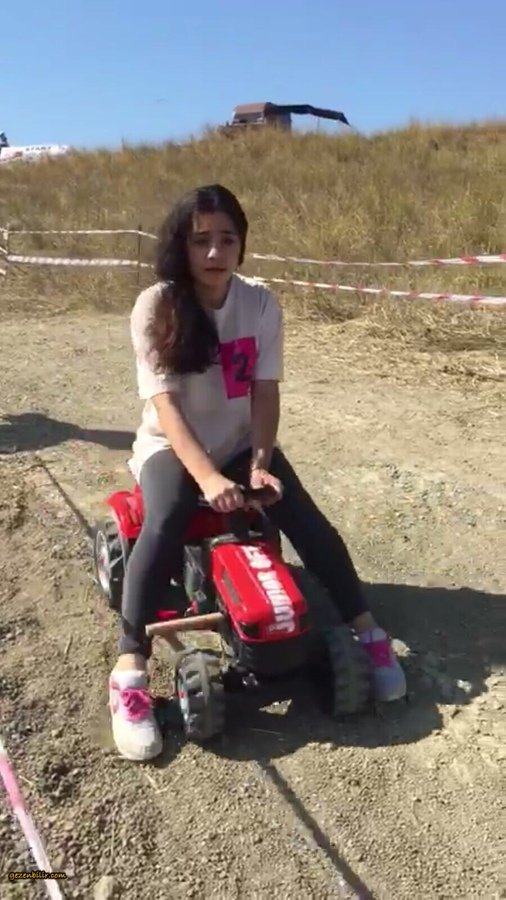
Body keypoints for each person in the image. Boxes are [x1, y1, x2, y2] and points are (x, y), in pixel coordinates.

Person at [109, 184, 406, 761]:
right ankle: (129, 669)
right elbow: (166, 406)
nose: (214, 252)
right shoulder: (156, 305)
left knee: (306, 519)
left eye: (227, 240)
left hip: (242, 445)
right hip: (172, 447)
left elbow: (264, 392)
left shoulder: (261, 303)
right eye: (201, 240)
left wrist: (261, 463)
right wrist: (208, 479)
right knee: (167, 516)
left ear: (241, 246)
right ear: (181, 245)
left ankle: (369, 631)